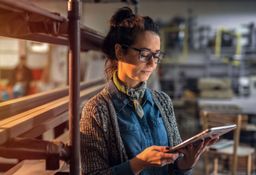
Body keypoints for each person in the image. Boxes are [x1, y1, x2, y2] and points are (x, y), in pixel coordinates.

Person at [80, 7, 218, 175]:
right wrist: (139, 163)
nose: (153, 63)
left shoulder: (163, 101)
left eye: (157, 55)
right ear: (119, 52)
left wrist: (185, 165)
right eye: (145, 54)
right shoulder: (96, 110)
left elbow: (175, 167)